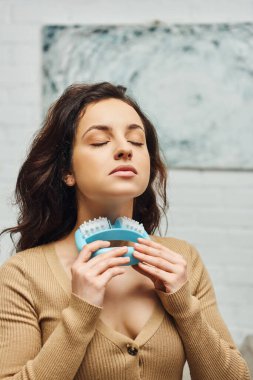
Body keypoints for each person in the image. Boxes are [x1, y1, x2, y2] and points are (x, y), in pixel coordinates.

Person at [0, 82, 250, 380]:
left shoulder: (183, 259)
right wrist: (80, 314)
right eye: (99, 142)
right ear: (67, 171)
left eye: (136, 140)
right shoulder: (23, 276)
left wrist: (184, 306)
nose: (124, 150)